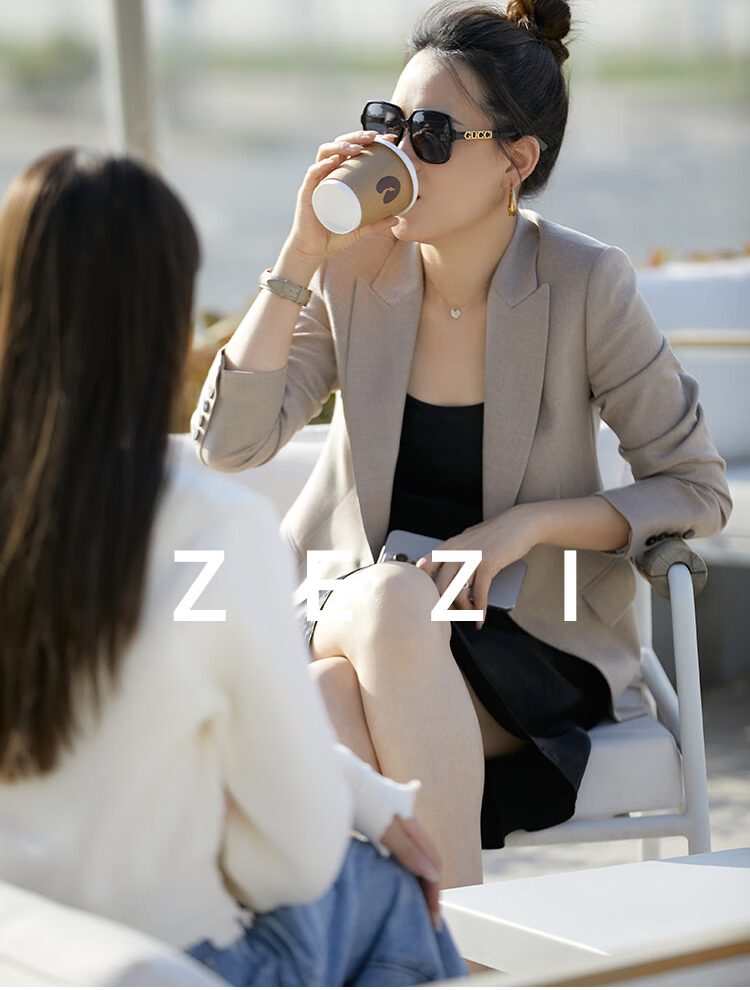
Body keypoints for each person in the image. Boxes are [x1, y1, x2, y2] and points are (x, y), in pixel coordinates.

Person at [192, 0, 733, 893]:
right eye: (388, 125)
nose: (400, 154)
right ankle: (460, 945)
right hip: (356, 612)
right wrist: (300, 254)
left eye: (433, 136)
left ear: (516, 161)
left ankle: (426, 944)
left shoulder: (584, 284)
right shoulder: (352, 271)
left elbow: (696, 487)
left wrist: (523, 528)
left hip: (529, 640)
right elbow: (230, 446)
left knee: (328, 701)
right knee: (391, 604)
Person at [0, 148, 469, 986]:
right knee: (391, 894)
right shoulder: (206, 527)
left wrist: (364, 796)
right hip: (175, 960)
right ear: (168, 324)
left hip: (25, 951)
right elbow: (292, 861)